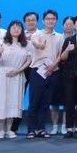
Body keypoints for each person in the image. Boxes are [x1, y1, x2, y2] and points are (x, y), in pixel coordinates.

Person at [0, 20, 30, 139]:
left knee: (13, 100)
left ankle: (9, 129)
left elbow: (28, 60)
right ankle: (1, 130)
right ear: (9, 29)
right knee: (1, 100)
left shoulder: (26, 44)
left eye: (19, 27)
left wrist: (18, 70)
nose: (16, 29)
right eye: (13, 27)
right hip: (2, 74)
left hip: (17, 74)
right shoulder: (2, 42)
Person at [25, 10, 61, 139]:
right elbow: (35, 42)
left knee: (46, 103)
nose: (50, 21)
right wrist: (39, 45)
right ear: (43, 21)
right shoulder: (37, 34)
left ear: (56, 21)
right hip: (37, 70)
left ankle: (41, 128)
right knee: (34, 101)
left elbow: (60, 54)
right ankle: (31, 129)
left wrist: (53, 65)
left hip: (53, 71)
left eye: (53, 19)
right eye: (48, 19)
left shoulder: (60, 37)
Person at [49, 16, 75, 135]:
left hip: (70, 73)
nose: (68, 26)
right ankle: (54, 126)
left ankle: (65, 125)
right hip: (57, 71)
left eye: (71, 24)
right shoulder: (58, 37)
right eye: (66, 24)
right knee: (54, 101)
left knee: (67, 101)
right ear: (63, 25)